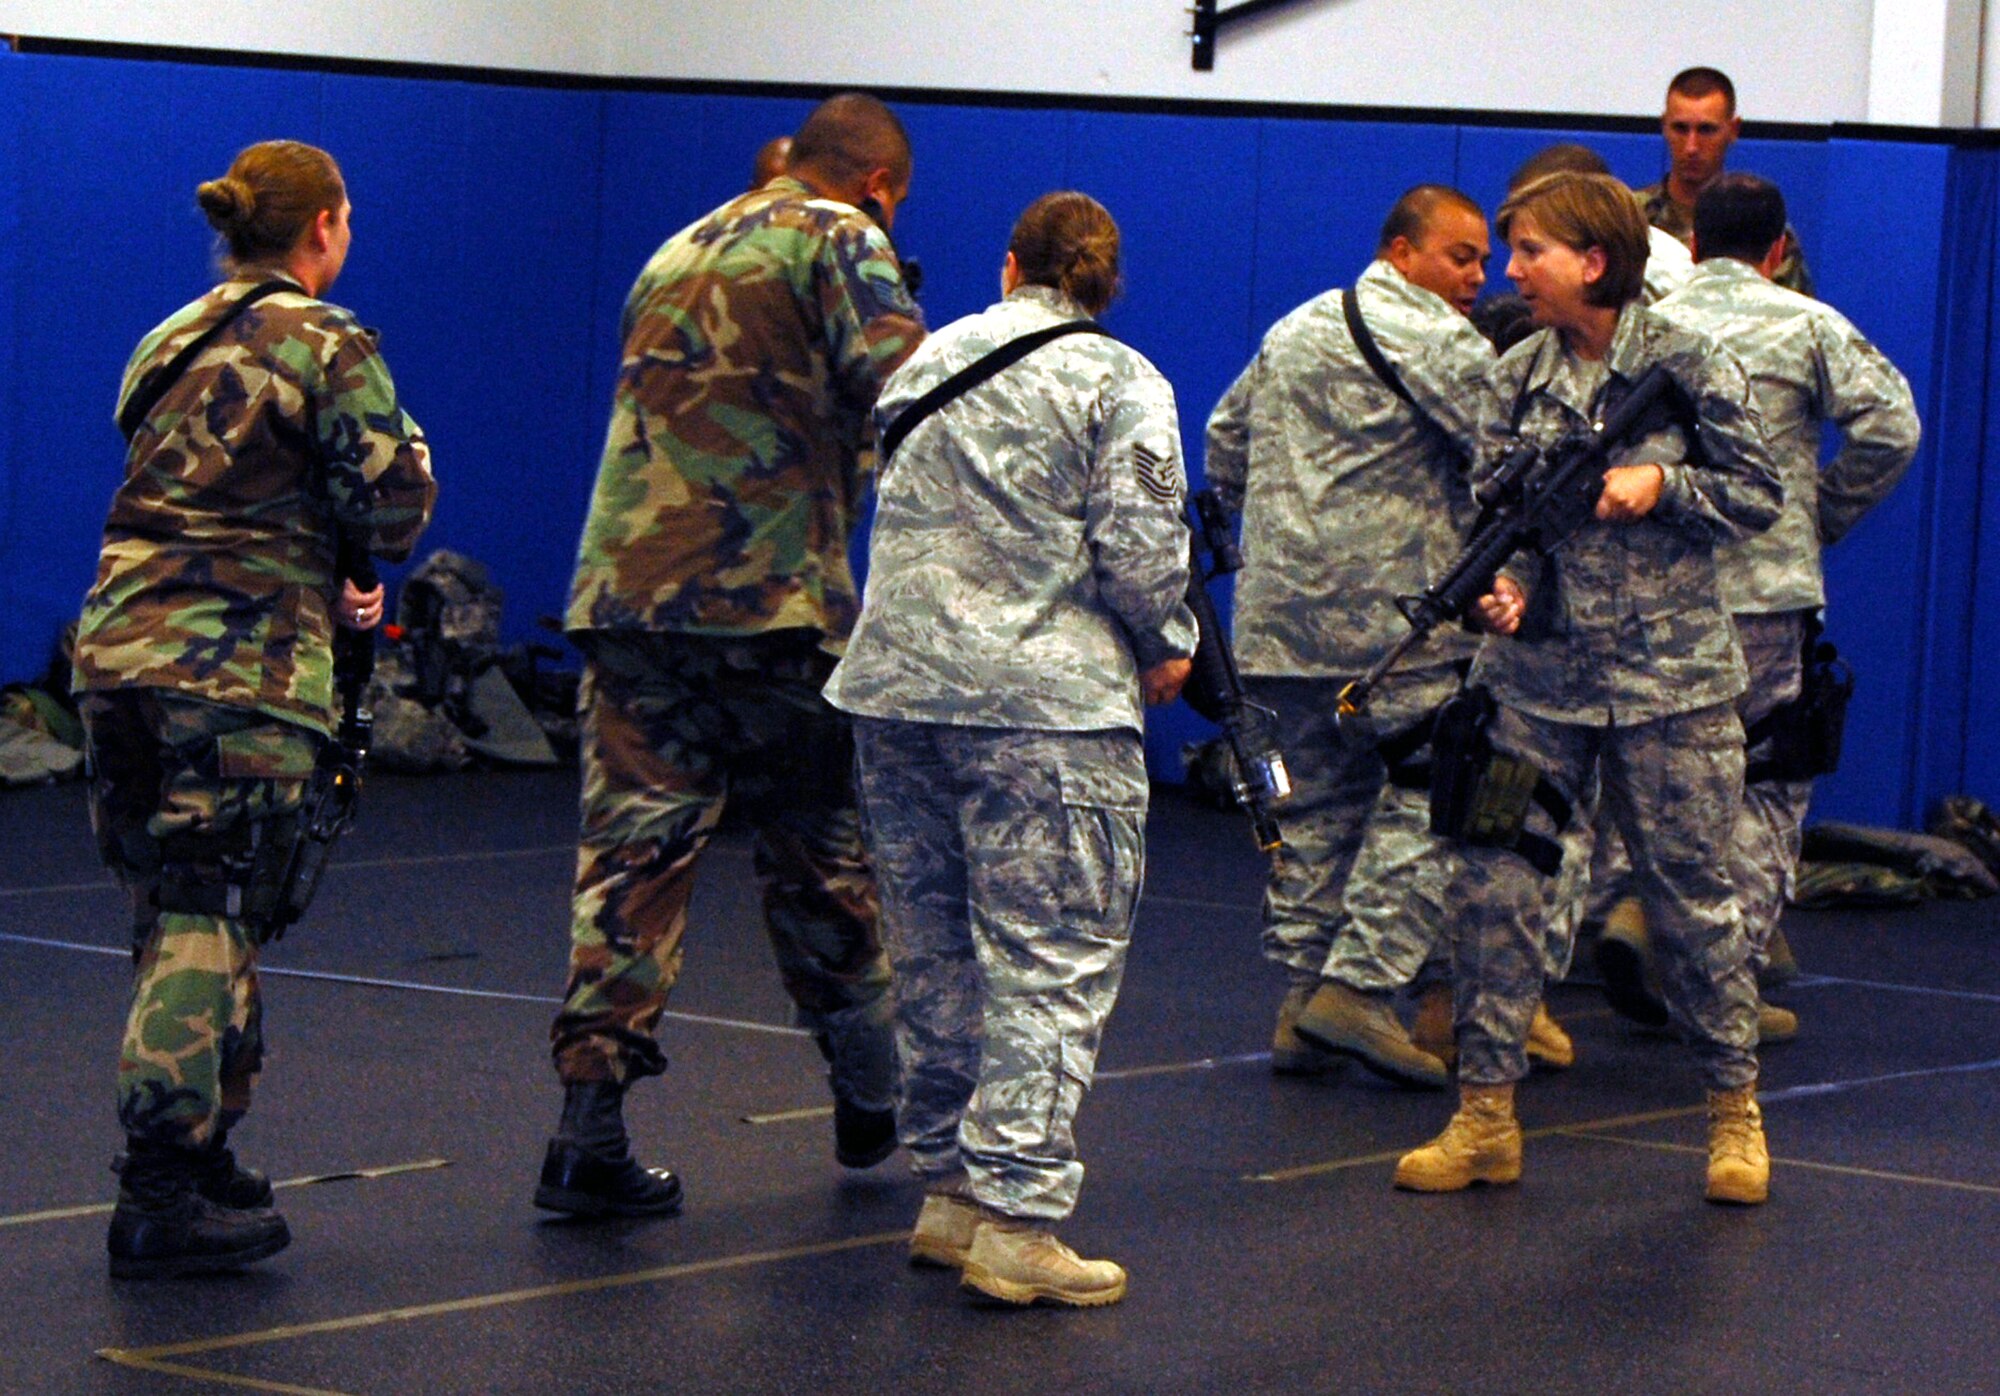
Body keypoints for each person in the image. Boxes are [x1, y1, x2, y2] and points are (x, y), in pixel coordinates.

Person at [537, 93, 925, 1219]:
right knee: (819, 857)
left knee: (629, 868)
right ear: (877, 187)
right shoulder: (845, 238)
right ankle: (869, 1095)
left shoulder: (674, 247)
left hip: (628, 604)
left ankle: (585, 1132)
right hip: (769, 609)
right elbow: (911, 400)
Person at [74, 140, 436, 1277]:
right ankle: (160, 1187)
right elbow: (393, 498)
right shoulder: (325, 340)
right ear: (323, 226)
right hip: (234, 669)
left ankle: (207, 1140)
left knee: (182, 900)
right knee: (211, 901)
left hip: (117, 656)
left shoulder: (164, 338)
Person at [827, 191, 1195, 1307]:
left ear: (1007, 267)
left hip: (893, 692)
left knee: (932, 949)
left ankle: (946, 1191)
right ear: (1103, 280)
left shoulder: (923, 366)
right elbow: (1137, 548)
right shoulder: (1120, 380)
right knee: (1051, 955)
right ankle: (1019, 1214)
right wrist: (1166, 643)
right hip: (1043, 704)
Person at [1393, 171, 1784, 1205]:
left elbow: (1758, 493)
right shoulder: (1511, 373)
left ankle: (1731, 1111)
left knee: (1691, 902)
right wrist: (1503, 593)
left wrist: (1664, 486)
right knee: (1488, 882)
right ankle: (1483, 1114)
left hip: (1671, 686)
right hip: (1531, 689)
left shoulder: (1689, 362)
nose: (1509, 270)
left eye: (1528, 252)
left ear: (1593, 262)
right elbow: (1499, 518)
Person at [1205, 186, 1521, 1089]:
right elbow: (1503, 456)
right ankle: (1360, 986)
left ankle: (1300, 1008)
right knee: (1443, 791)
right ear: (1400, 250)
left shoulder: (1294, 327)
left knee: (1307, 813)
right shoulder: (1443, 342)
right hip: (1393, 633)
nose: (1480, 275)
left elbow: (1226, 444)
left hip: (1271, 630)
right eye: (1460, 256)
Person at [1594, 174, 1920, 1034]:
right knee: (1764, 782)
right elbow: (1894, 427)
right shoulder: (1808, 324)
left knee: (1650, 769)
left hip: (1654, 587)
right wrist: (1820, 516)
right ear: (1778, 249)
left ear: (1692, 243)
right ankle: (1716, 985)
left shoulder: (1646, 325)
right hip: (1766, 592)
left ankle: (1632, 907)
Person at [1638, 67, 1812, 295]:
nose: (1691, 146)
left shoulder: (1761, 225)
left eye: (1706, 130)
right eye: (1680, 129)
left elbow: (1789, 315)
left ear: (1733, 129)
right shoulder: (1631, 219)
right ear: (1664, 126)